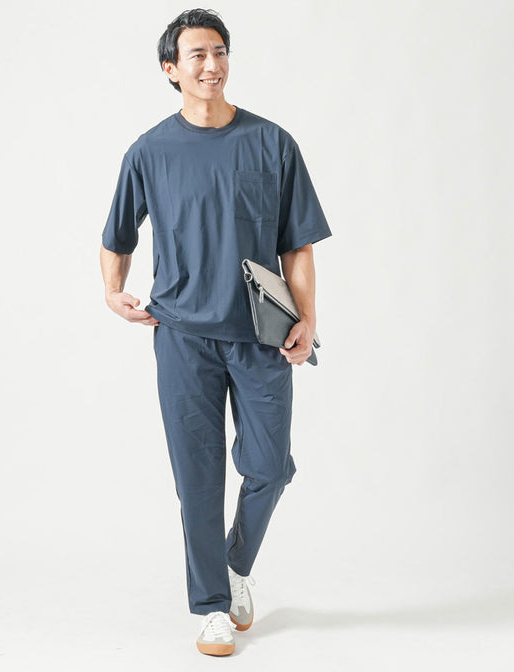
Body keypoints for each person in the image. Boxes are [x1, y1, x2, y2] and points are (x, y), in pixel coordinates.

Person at [100, 8, 332, 657]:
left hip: (261, 333)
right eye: (197, 55)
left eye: (220, 51)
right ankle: (210, 607)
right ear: (170, 70)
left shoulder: (271, 143)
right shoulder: (149, 151)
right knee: (197, 477)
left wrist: (307, 318)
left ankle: (234, 565)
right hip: (181, 337)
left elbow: (298, 245)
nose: (212, 64)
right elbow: (116, 236)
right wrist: (113, 292)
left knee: (270, 467)